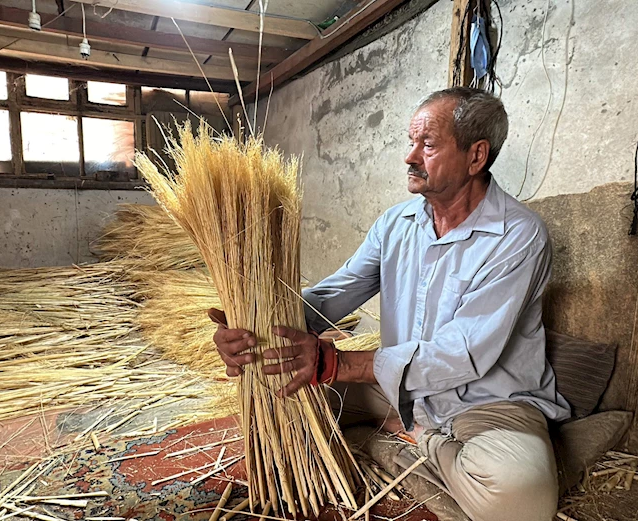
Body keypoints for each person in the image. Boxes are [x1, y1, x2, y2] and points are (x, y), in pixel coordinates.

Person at [208, 87, 571, 521]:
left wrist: (336, 365)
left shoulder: (519, 235)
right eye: (411, 141)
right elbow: (331, 297)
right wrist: (256, 321)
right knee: (277, 395)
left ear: (476, 157)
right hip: (397, 391)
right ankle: (411, 433)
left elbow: (464, 352)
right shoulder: (396, 224)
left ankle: (414, 440)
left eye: (428, 144)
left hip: (486, 402)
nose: (410, 156)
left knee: (519, 499)